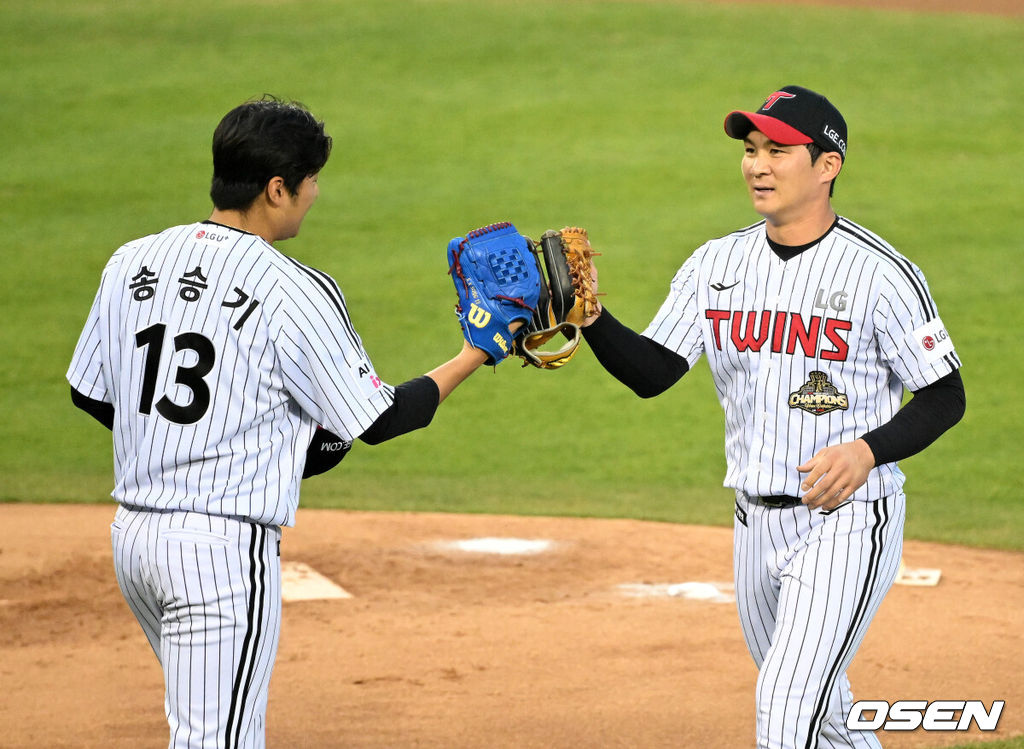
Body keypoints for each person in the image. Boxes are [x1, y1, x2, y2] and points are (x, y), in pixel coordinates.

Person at [66, 95, 495, 748]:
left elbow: (91, 394)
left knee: (204, 723)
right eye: (311, 180)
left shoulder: (132, 261)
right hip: (219, 556)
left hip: (133, 543)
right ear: (276, 189)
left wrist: (195, 445)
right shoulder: (296, 289)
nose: (316, 193)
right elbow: (376, 420)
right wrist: (475, 353)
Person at [579, 85, 965, 747]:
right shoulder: (716, 263)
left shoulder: (881, 274)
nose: (758, 164)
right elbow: (654, 372)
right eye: (752, 149)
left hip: (848, 520)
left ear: (826, 166)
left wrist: (867, 449)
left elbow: (944, 395)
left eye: (778, 150)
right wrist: (590, 318)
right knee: (828, 724)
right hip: (753, 523)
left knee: (784, 713)